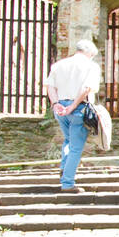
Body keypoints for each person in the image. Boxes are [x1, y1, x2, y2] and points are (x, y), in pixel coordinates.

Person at [44, 39, 101, 192]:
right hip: (78, 107)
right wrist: (73, 106)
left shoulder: (59, 65)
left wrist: (56, 104)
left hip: (60, 107)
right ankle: (67, 183)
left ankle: (64, 167)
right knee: (76, 147)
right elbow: (87, 88)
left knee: (68, 140)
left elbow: (50, 86)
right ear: (89, 53)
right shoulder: (91, 66)